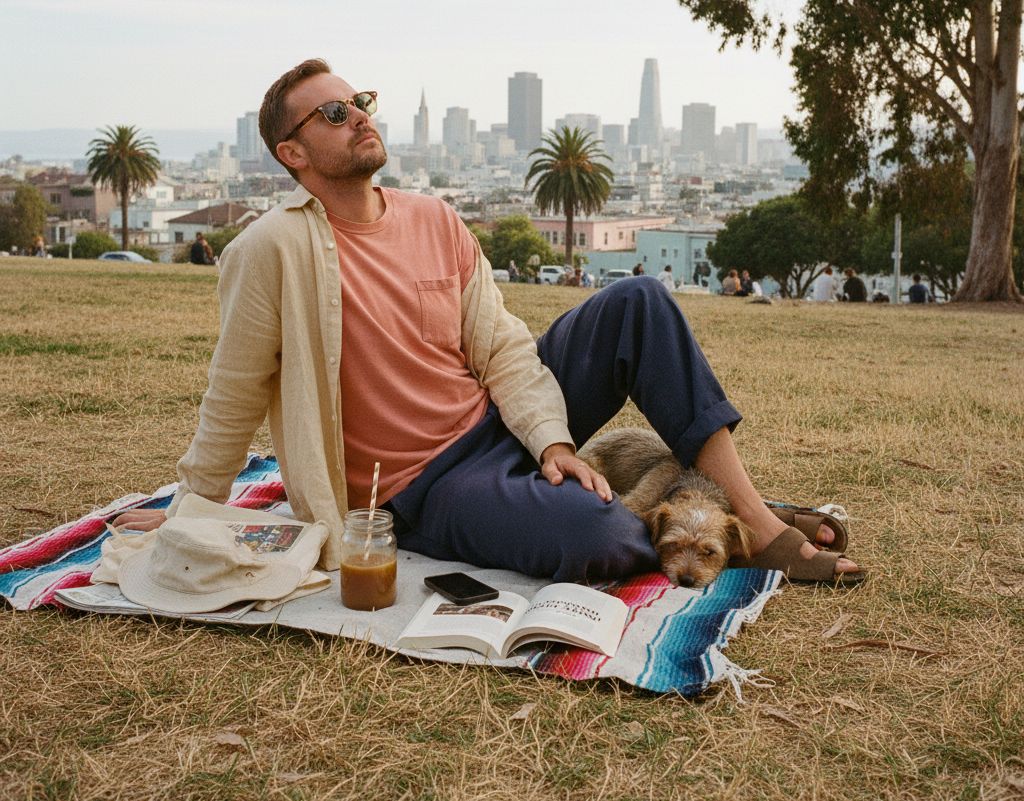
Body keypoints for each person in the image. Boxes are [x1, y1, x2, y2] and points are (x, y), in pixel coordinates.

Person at [114, 58, 859, 585]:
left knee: (640, 302)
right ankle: (712, 521)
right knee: (596, 538)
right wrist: (192, 506)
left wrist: (553, 440)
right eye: (333, 112)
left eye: (360, 98)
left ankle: (754, 523)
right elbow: (235, 390)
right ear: (293, 152)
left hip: (501, 419)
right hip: (426, 485)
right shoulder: (269, 250)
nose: (360, 115)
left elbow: (502, 346)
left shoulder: (434, 217)